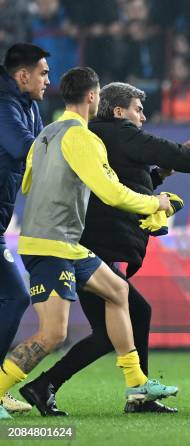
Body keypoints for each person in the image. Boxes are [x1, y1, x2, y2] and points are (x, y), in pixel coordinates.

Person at [20, 81, 190, 415]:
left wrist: (158, 177)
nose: (142, 117)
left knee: (127, 319)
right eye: (138, 110)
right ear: (119, 110)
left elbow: (120, 186)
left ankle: (129, 393)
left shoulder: (99, 138)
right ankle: (52, 385)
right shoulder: (116, 132)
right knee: (111, 324)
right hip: (93, 247)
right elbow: (171, 152)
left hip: (88, 244)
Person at [0, 67, 178, 420]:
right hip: (51, 245)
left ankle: (136, 382)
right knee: (52, 333)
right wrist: (154, 203)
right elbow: (112, 193)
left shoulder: (45, 134)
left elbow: (28, 183)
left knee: (118, 291)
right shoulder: (84, 138)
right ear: (93, 96)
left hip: (65, 240)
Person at [0, 43, 49, 418]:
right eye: (43, 73)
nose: (48, 80)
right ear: (23, 75)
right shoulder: (3, 104)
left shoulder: (28, 106)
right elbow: (24, 148)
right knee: (15, 297)